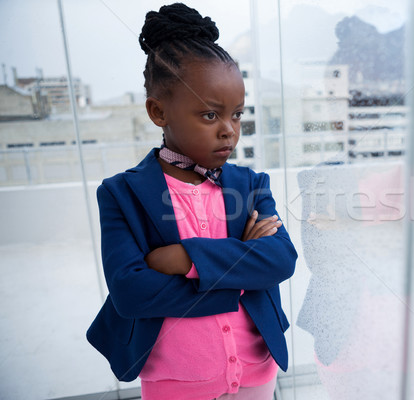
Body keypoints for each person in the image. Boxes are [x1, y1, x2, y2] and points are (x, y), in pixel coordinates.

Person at [86, 3, 297, 399]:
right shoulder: (121, 194)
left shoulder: (251, 184)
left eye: (236, 115)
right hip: (175, 384)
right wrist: (236, 279)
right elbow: (130, 293)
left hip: (257, 372)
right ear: (158, 111)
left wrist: (186, 260)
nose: (229, 132)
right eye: (209, 115)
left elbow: (281, 260)